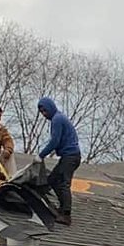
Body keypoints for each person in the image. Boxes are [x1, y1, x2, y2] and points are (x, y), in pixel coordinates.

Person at [35, 95, 82, 225]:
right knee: (52, 180)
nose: (44, 114)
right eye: (42, 112)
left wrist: (41, 155)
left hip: (71, 156)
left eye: (45, 110)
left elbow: (54, 141)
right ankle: (62, 208)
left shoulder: (57, 119)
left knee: (63, 183)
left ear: (50, 107)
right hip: (69, 156)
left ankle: (66, 214)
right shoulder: (59, 118)